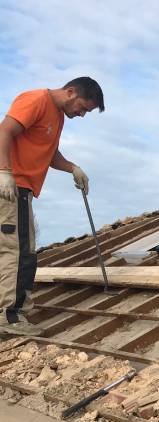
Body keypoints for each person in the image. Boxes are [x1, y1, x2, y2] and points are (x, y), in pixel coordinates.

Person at [0, 77, 104, 335]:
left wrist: (72, 168)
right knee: (18, 251)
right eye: (83, 108)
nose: (81, 115)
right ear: (70, 92)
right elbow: (4, 131)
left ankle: (12, 312)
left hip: (21, 190)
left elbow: (50, 153)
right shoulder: (36, 100)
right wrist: (3, 171)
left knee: (22, 249)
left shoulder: (56, 116)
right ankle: (9, 318)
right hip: (12, 187)